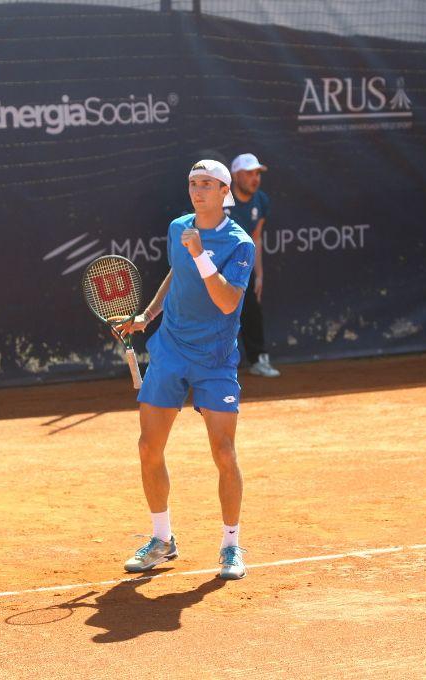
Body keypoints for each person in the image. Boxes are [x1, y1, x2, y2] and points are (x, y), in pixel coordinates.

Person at [115, 159, 256, 580]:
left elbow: (227, 302)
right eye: (194, 183)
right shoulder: (179, 228)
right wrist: (147, 315)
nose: (198, 190)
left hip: (215, 359)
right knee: (148, 447)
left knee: (224, 453)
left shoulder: (239, 243)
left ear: (225, 192)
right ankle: (162, 539)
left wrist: (201, 254)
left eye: (208, 184)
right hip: (171, 351)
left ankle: (231, 545)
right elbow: (177, 272)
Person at [228, 153, 280, 377]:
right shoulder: (221, 199)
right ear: (235, 175)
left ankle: (258, 359)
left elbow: (255, 238)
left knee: (252, 309)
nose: (255, 178)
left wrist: (258, 274)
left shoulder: (261, 200)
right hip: (215, 266)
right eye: (249, 173)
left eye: (257, 173)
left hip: (242, 266)